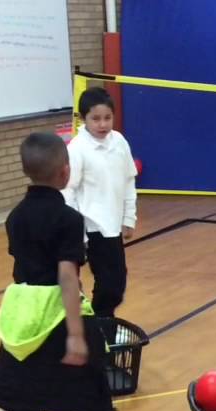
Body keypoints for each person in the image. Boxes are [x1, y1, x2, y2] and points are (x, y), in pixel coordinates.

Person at [0, 131, 153, 411]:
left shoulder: (15, 217)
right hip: (60, 313)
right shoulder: (68, 218)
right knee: (91, 393)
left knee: (24, 404)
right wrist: (76, 334)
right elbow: (66, 276)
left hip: (22, 317)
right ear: (65, 172)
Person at [63, 87, 138, 319]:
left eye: (107, 118)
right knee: (108, 283)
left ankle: (100, 324)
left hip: (113, 227)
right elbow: (68, 192)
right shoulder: (77, 149)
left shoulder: (119, 142)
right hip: (92, 227)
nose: (103, 124)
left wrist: (129, 217)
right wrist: (78, 234)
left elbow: (128, 181)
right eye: (95, 119)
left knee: (116, 283)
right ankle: (102, 327)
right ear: (83, 118)